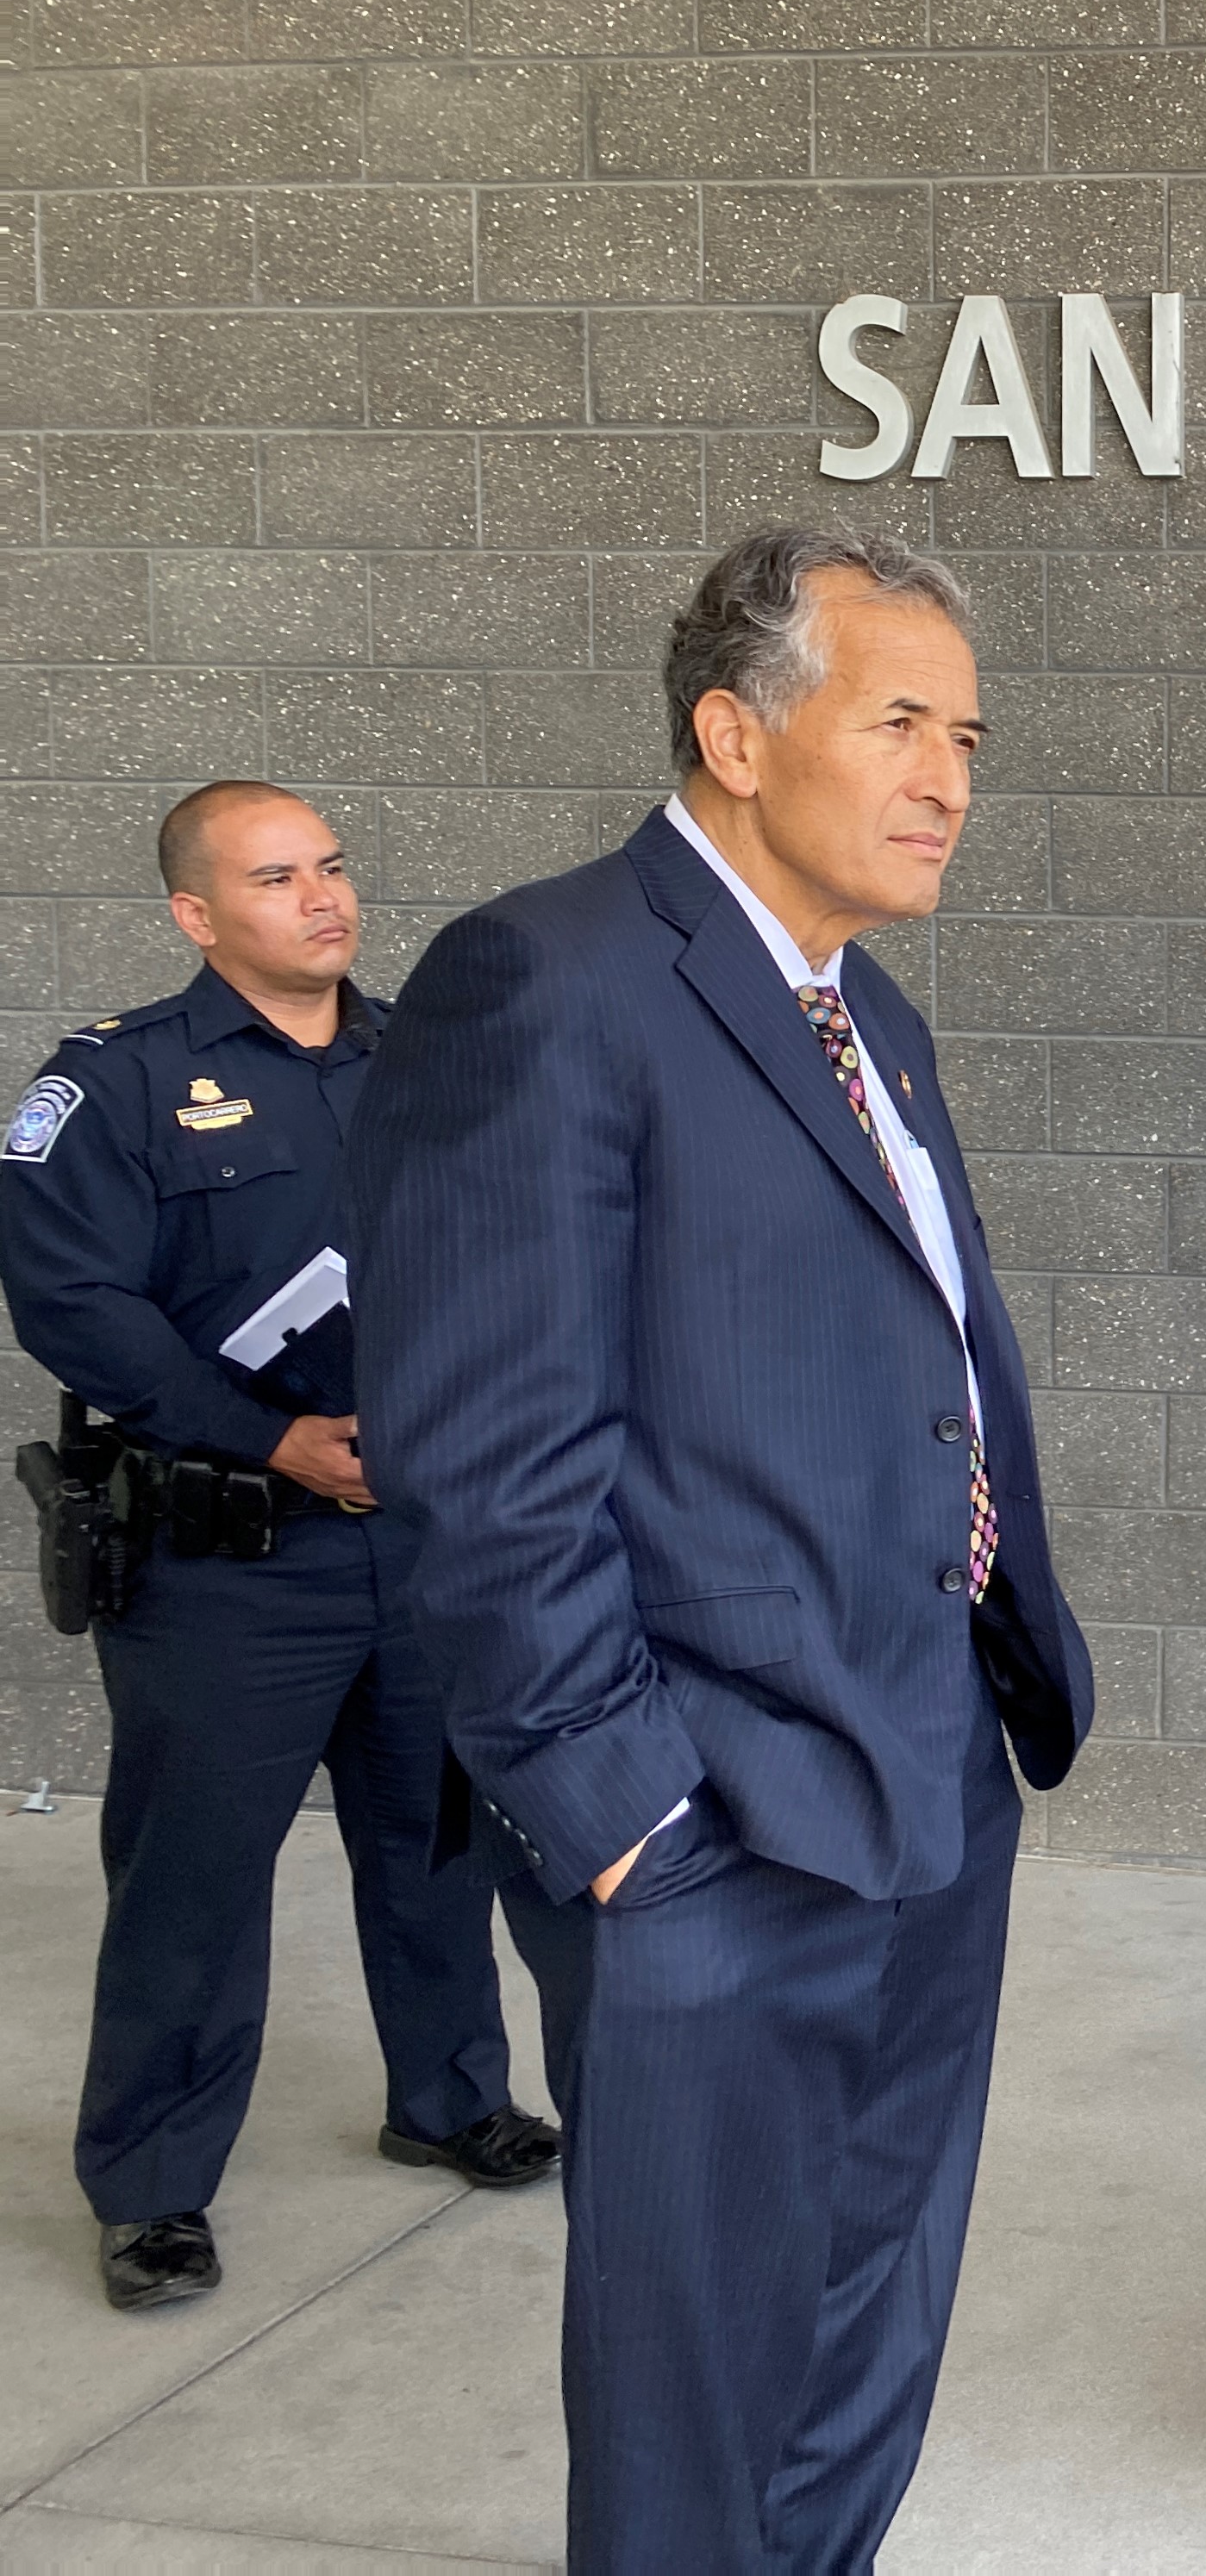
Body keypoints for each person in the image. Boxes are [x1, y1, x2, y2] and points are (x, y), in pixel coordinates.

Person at [342, 527, 1093, 2573]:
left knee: (875, 2296)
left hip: (925, 1752)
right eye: (902, 720)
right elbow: (484, 1459)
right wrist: (623, 1821)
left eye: (972, 733)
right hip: (709, 1821)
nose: (951, 774)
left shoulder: (882, 1020)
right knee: (701, 2370)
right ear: (734, 734)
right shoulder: (552, 979)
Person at [0, 781, 558, 2315]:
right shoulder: (112, 1086)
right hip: (226, 1566)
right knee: (193, 1879)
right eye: (273, 878)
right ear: (197, 914)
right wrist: (270, 1439)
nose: (323, 899)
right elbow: (71, 1301)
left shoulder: (422, 1067)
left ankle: (448, 2099)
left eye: (330, 867)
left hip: (417, 1549)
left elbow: (507, 1255)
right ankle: (153, 2191)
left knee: (435, 1844)